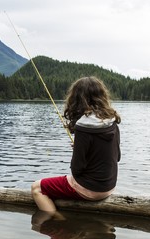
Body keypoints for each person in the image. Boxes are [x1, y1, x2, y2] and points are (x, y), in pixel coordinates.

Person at [31, 76, 121, 214]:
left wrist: (78, 151)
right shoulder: (112, 120)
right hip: (109, 186)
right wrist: (86, 150)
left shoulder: (83, 126)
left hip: (90, 189)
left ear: (77, 99)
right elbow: (117, 156)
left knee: (36, 188)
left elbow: (77, 169)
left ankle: (55, 222)